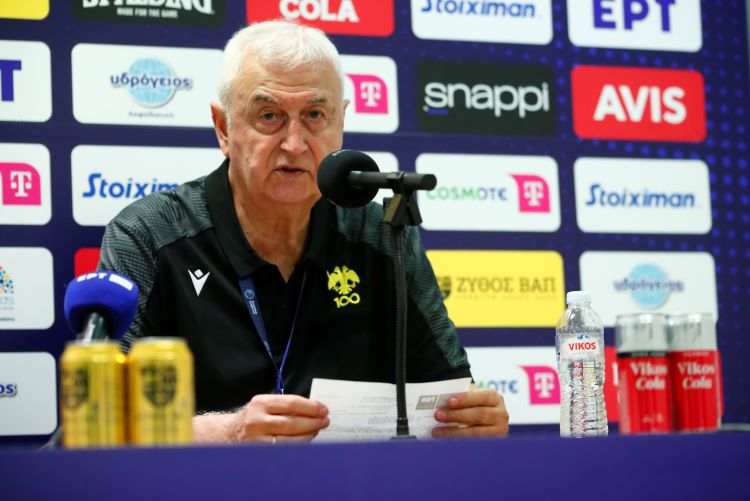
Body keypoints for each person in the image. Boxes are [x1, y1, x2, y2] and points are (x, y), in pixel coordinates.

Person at [98, 20, 508, 443]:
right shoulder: (149, 235)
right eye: (269, 116)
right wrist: (229, 433)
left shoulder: (381, 235)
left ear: (340, 123)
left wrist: (472, 419)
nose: (294, 143)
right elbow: (103, 422)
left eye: (314, 115)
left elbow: (447, 389)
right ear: (223, 128)